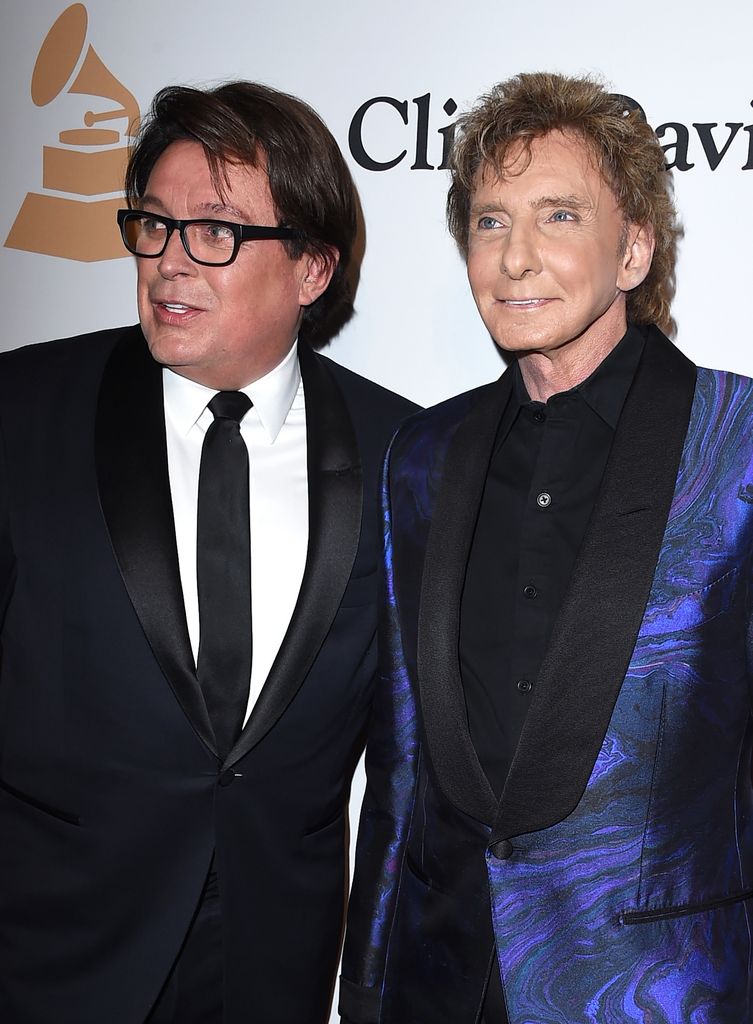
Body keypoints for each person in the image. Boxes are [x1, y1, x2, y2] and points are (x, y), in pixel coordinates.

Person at [339, 71, 753, 1024]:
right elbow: (400, 759)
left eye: (558, 215)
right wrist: (365, 983)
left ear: (633, 250)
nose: (516, 258)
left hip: (660, 992)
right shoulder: (423, 455)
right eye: (489, 222)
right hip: (439, 986)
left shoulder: (733, 445)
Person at [0, 81, 416, 1024]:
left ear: (311, 269)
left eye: (215, 232)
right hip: (49, 955)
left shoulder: (407, 455)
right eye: (152, 224)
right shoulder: (22, 412)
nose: (168, 262)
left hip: (275, 965)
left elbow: (407, 761)